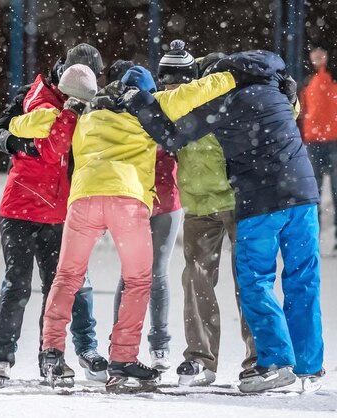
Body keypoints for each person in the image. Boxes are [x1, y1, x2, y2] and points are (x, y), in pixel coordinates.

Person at [14, 65, 239, 393]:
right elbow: (195, 92)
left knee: (67, 277)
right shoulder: (151, 107)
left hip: (84, 199)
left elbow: (24, 123)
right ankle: (122, 361)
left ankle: (52, 353)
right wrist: (233, 76)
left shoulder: (84, 113)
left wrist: (58, 111)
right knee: (138, 281)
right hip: (127, 200)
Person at [122, 50, 324, 393]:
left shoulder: (227, 101)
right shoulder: (273, 88)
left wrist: (140, 103)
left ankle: (272, 361)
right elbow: (293, 107)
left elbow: (172, 136)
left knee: (254, 281)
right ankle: (309, 366)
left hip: (260, 200)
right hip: (303, 194)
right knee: (303, 280)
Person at [0, 61, 109, 385]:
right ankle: (2, 357)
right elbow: (4, 132)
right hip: (20, 208)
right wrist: (17, 140)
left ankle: (51, 357)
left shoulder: (87, 107)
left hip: (57, 212)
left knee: (58, 286)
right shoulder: (37, 99)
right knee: (17, 284)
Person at [156, 48, 258, 387]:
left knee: (250, 282)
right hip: (199, 206)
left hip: (238, 202)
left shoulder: (229, 99)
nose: (170, 87)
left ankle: (260, 358)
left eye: (176, 81)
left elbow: (282, 106)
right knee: (196, 280)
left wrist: (287, 88)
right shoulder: (175, 105)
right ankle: (200, 360)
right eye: (165, 81)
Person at [108, 54, 183, 372]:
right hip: (133, 203)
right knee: (132, 275)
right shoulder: (114, 118)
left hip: (166, 203)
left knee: (156, 274)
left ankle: (160, 344)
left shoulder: (164, 112)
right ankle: (120, 345)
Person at [299, 46, 337, 251]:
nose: (317, 56)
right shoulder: (304, 81)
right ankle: (311, 239)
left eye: (321, 52)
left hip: (336, 143)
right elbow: (297, 111)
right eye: (314, 52)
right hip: (311, 144)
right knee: (311, 195)